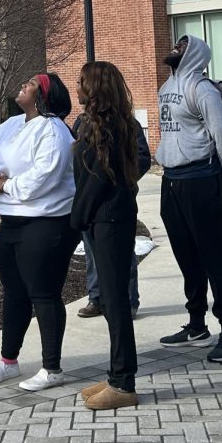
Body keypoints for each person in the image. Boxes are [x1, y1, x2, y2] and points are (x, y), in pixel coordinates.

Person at [0, 72, 77, 392]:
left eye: (32, 83)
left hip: (46, 222)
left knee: (44, 293)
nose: (24, 83)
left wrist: (4, 184)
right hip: (10, 222)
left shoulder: (54, 131)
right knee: (14, 292)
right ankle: (9, 361)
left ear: (44, 96)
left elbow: (43, 178)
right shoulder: (8, 126)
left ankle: (52, 368)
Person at [156, 35, 222, 362]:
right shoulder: (166, 87)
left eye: (180, 46)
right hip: (172, 180)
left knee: (213, 257)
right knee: (186, 257)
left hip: (201, 177)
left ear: (193, 54)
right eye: (175, 44)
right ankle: (196, 325)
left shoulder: (203, 89)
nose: (174, 48)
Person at [71, 62, 142, 411]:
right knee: (112, 302)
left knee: (115, 301)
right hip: (105, 219)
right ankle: (116, 373)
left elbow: (98, 178)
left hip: (110, 220)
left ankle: (123, 381)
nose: (77, 87)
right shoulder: (102, 123)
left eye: (82, 82)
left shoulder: (109, 126)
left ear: (96, 88)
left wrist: (77, 218)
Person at [78, 121, 151, 321]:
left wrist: (122, 181)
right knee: (92, 254)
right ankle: (96, 298)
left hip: (117, 204)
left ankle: (128, 301)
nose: (78, 91)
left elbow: (143, 158)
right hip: (90, 203)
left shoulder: (126, 124)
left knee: (123, 255)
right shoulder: (82, 123)